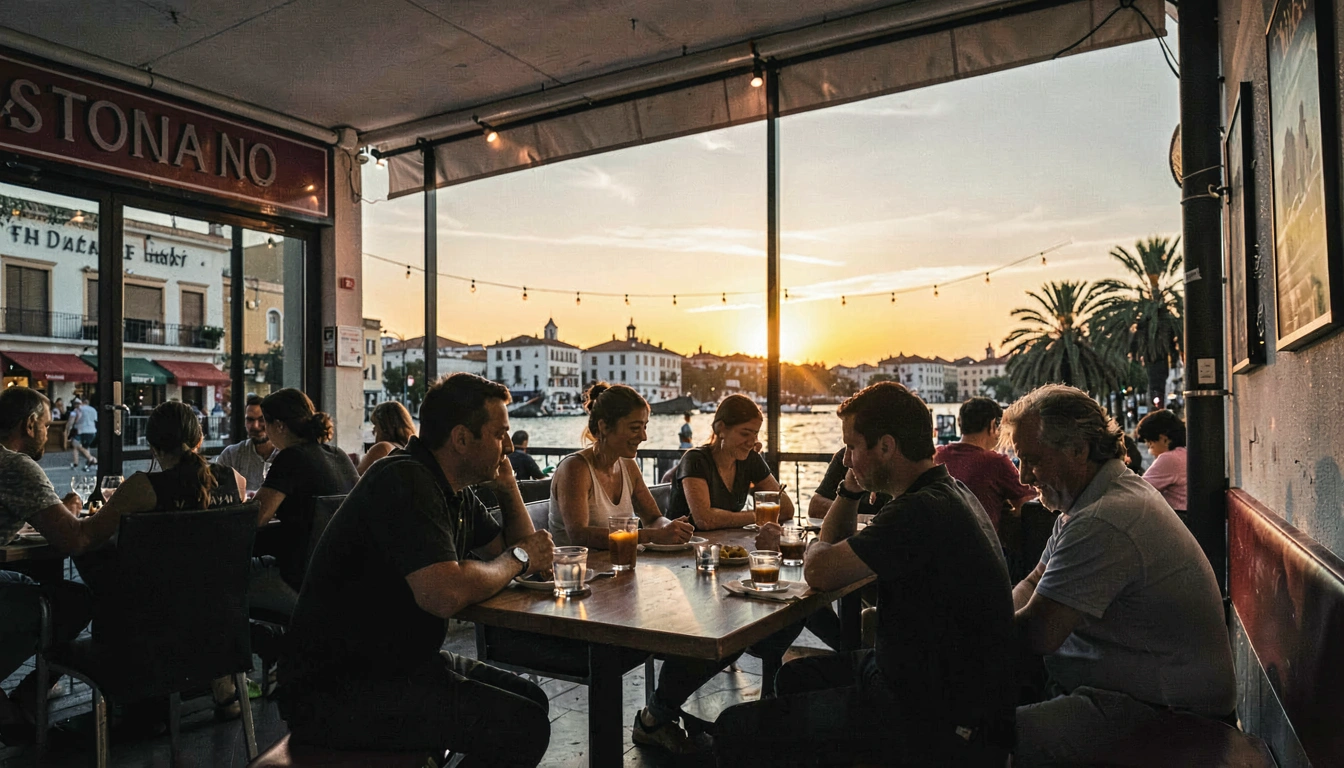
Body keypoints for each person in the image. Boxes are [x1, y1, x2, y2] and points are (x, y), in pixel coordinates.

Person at [716, 382, 1015, 766]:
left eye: (853, 448)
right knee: (794, 679)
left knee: (733, 728)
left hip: (931, 716)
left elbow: (820, 572)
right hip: (921, 680)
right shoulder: (946, 490)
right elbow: (835, 555)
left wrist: (805, 548)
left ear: (886, 447)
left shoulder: (918, 511)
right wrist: (849, 489)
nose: (846, 459)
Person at [277, 373, 554, 765]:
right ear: (460, 439)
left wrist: (508, 489)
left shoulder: (453, 487)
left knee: (533, 700)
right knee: (523, 724)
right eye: (499, 434)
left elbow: (524, 559)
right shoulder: (404, 478)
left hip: (400, 666)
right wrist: (519, 559)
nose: (508, 446)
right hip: (340, 687)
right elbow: (445, 593)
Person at [1001, 385, 1234, 766]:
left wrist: (955, 636)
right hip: (1126, 693)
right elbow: (1033, 582)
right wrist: (990, 620)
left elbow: (1038, 634)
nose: (1024, 476)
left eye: (1032, 460)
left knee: (980, 738)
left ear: (1078, 449)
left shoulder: (1105, 517)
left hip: (1165, 713)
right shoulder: (1089, 501)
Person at [73, 400, 246, 719]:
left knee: (93, 563)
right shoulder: (234, 479)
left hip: (152, 630)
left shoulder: (143, 487)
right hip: (219, 621)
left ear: (152, 446)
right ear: (200, 439)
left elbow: (85, 537)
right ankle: (217, 682)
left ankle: (138, 698)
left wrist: (70, 513)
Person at [0, 388, 113, 745]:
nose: (50, 433)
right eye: (47, 425)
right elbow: (74, 540)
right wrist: (116, 507)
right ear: (30, 424)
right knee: (75, 600)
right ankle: (25, 699)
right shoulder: (15, 464)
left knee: (30, 580)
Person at [251, 389, 359, 615]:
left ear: (279, 425)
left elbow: (256, 518)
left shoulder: (291, 458)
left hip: (298, 583)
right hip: (342, 581)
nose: (263, 430)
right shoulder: (339, 456)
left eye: (266, 423)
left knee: (227, 578)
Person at [549, 383, 695, 547]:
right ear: (604, 427)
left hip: (619, 567)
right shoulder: (575, 468)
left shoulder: (628, 465)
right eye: (635, 428)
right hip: (579, 570)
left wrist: (671, 529)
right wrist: (652, 535)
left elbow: (653, 519)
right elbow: (579, 535)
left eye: (644, 427)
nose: (643, 436)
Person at [664, 394, 794, 529]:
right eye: (745, 434)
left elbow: (787, 510)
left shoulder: (749, 458)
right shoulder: (695, 459)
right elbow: (704, 519)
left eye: (755, 434)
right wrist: (761, 516)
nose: (752, 442)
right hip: (685, 546)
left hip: (723, 545)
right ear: (721, 428)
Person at [935, 397, 1037, 535]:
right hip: (983, 550)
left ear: (960, 423)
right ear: (993, 425)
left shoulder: (937, 455)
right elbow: (1029, 506)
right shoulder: (996, 462)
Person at [215, 395, 278, 491]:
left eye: (262, 420)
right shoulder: (231, 455)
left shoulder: (287, 455)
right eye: (250, 420)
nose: (255, 426)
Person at [1135, 409, 1186, 514]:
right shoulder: (1183, 453)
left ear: (1164, 439)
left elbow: (1139, 489)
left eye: (1149, 442)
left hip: (1180, 518)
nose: (1149, 447)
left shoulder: (1169, 459)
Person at [357, 401, 417, 475]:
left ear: (384, 427)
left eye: (375, 425)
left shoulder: (383, 448)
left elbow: (357, 479)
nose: (373, 431)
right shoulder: (405, 450)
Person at [66, 396, 98, 472]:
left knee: (76, 445)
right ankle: (80, 463)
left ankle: (92, 459)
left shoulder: (77, 410)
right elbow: (95, 420)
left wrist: (68, 430)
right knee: (85, 447)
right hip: (92, 431)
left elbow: (71, 422)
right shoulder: (93, 409)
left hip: (81, 430)